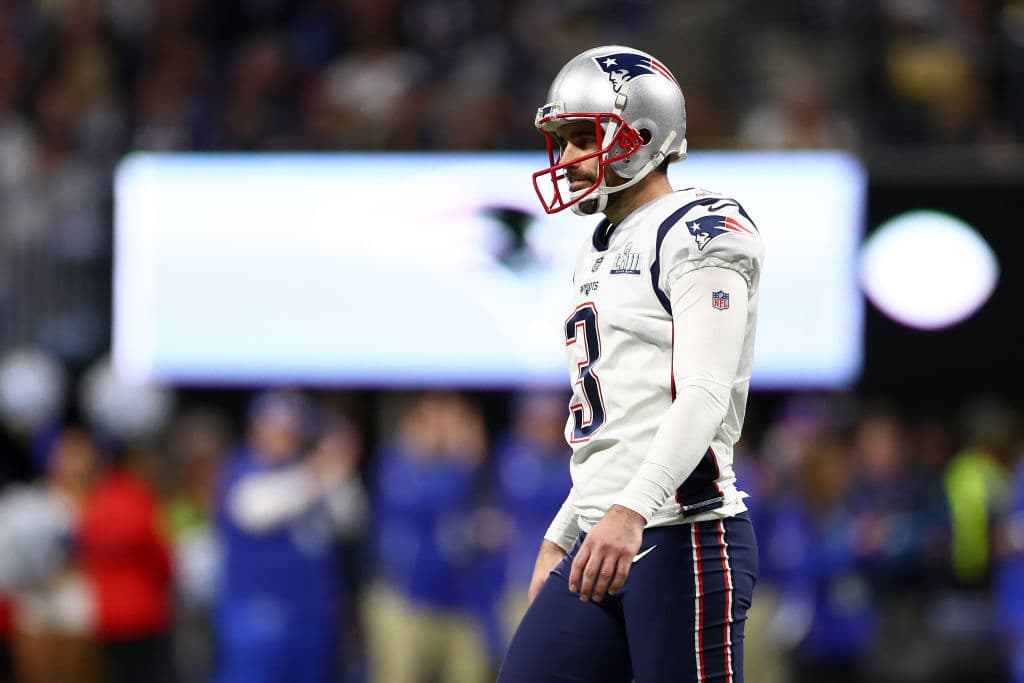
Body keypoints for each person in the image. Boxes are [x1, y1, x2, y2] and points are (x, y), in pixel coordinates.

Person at [498, 45, 765, 683]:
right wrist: (565, 529)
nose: (564, 159)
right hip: (603, 532)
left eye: (578, 138)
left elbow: (703, 393)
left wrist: (632, 511)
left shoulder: (698, 228)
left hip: (682, 534)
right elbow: (617, 418)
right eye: (559, 141)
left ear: (639, 137)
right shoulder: (599, 249)